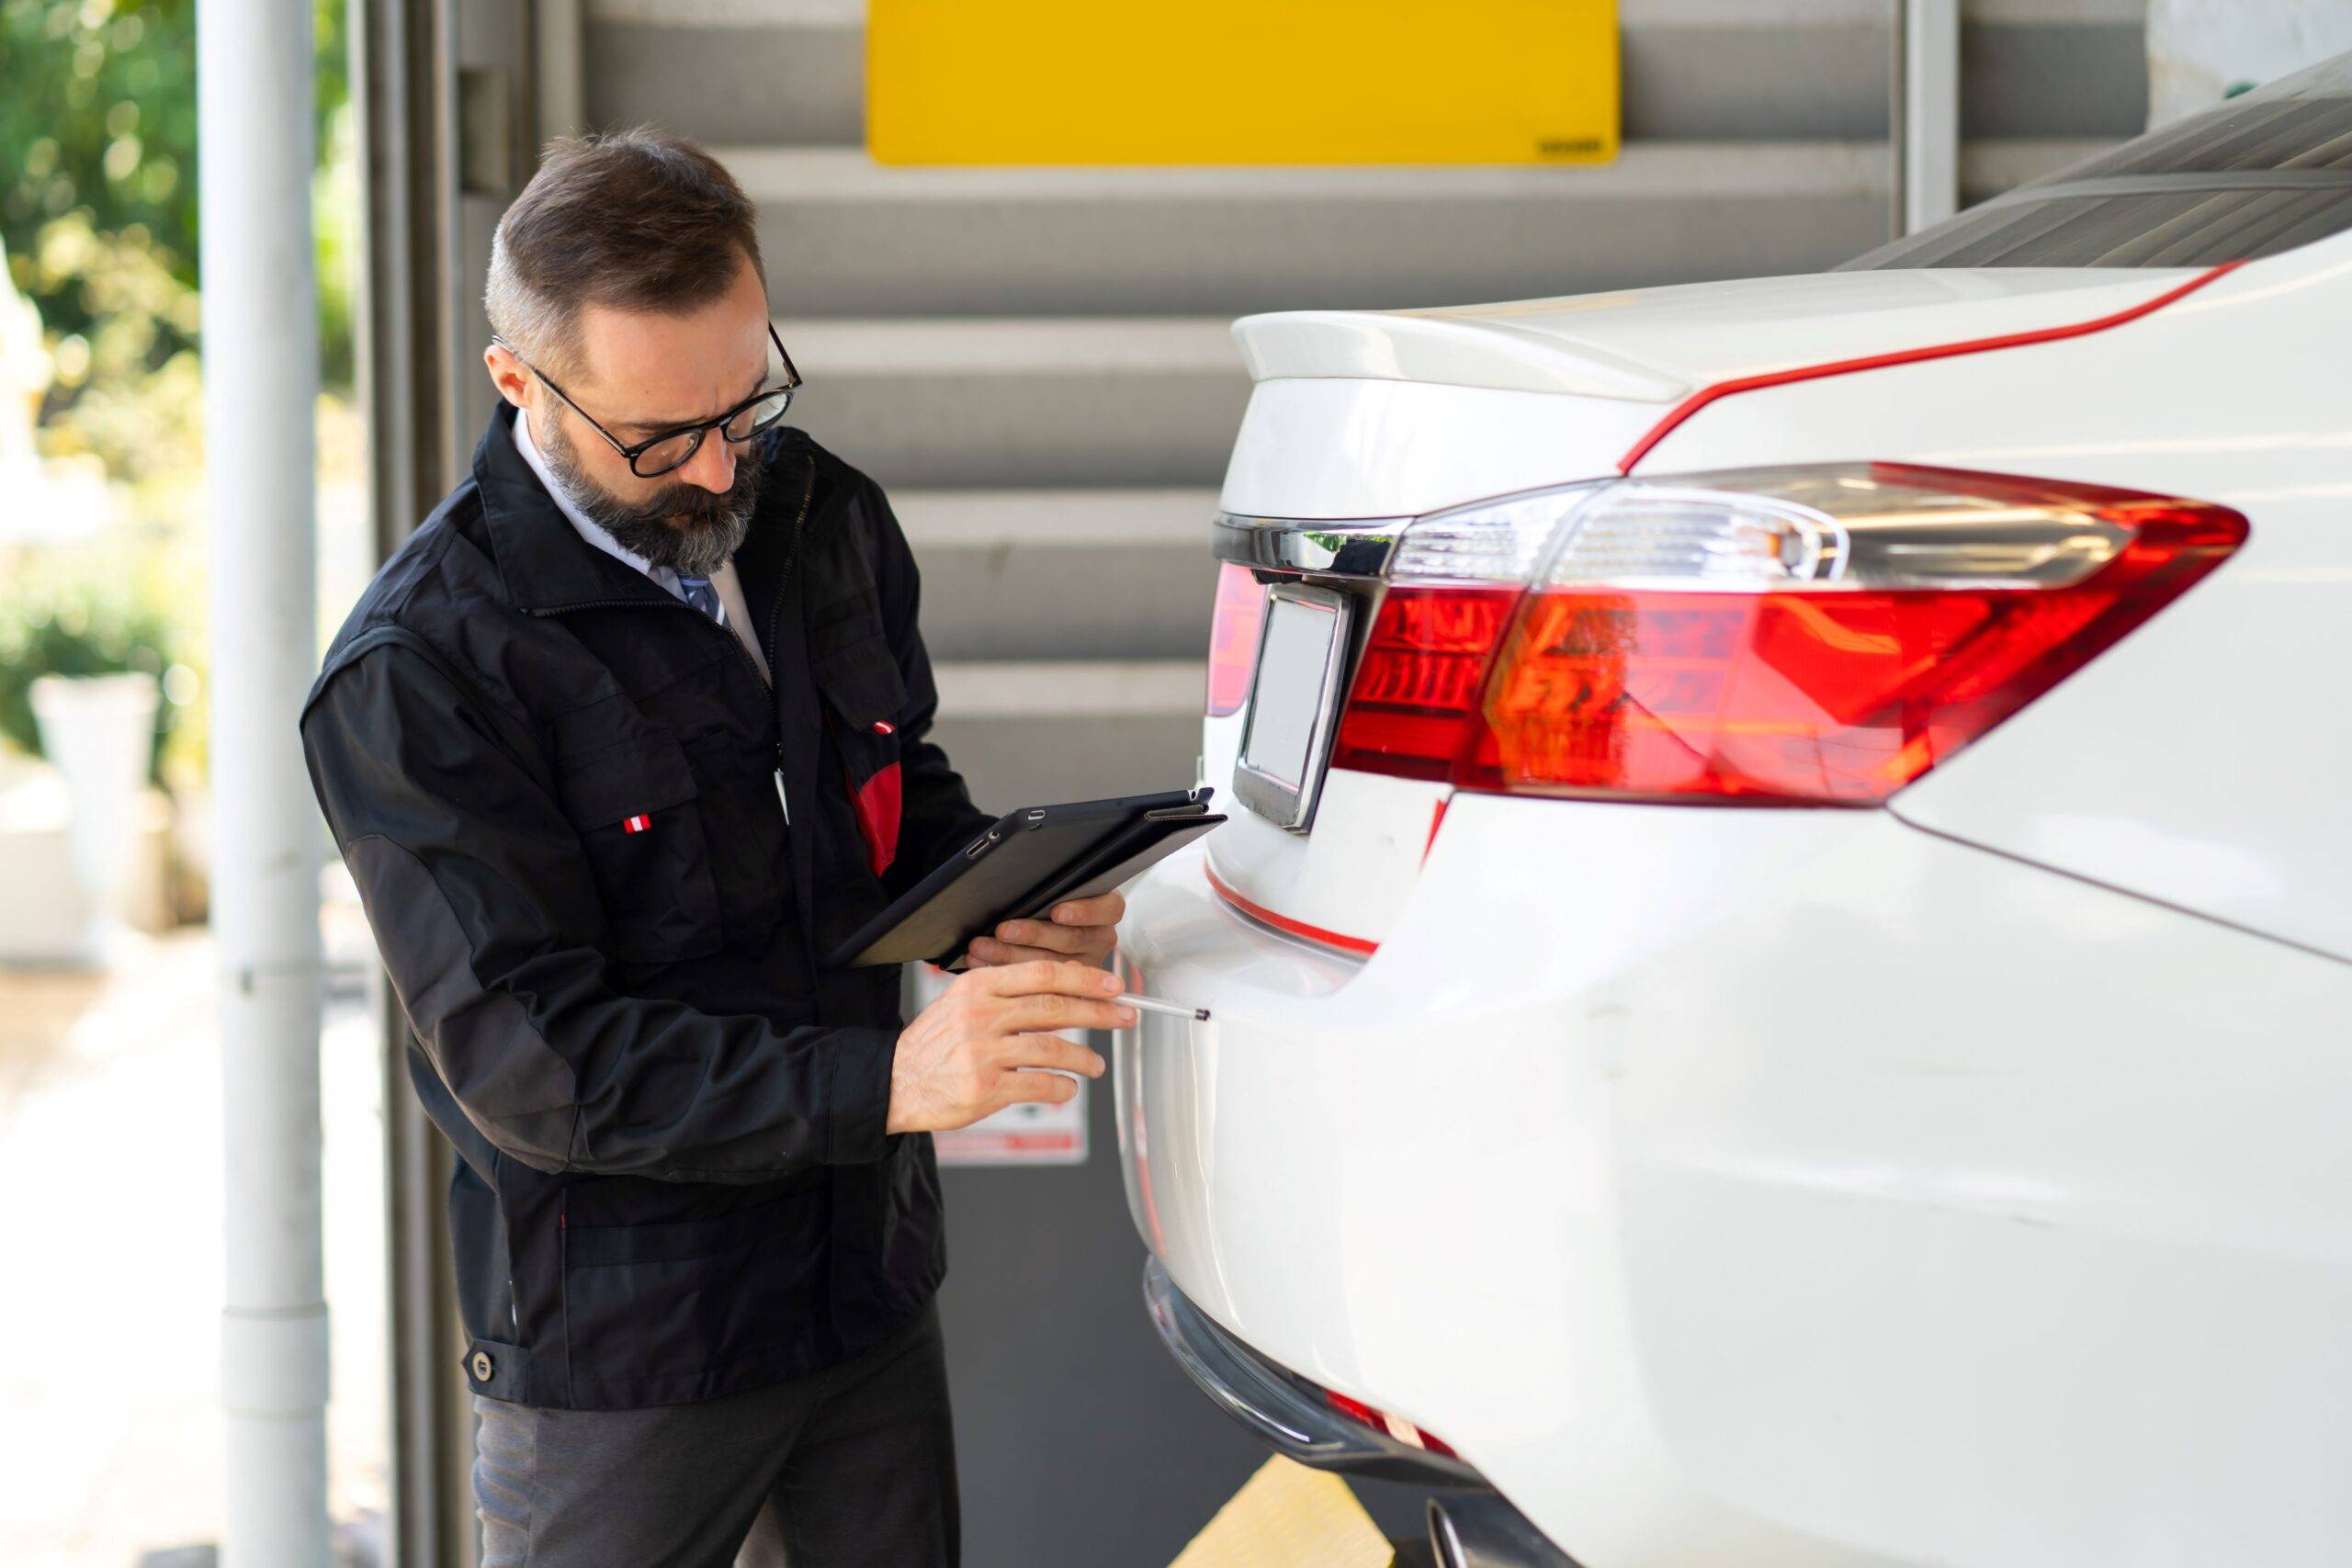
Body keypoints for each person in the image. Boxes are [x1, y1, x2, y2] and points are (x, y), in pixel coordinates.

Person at [300, 129, 1134, 1566]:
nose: (715, 465)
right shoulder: (420, 670)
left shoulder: (819, 518)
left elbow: (887, 796)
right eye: (656, 438)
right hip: (627, 1355)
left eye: (744, 401)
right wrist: (894, 1076)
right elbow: (537, 1064)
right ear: (519, 383)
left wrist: (1005, 899)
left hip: (859, 1289)